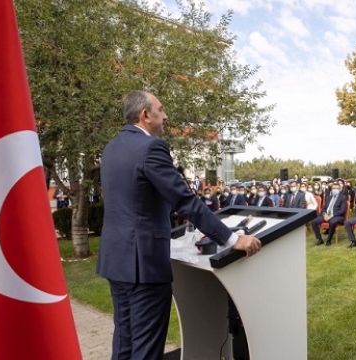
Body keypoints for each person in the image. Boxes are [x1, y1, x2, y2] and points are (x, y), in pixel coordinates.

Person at [98, 90, 262, 359]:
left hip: (116, 260)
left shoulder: (111, 148)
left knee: (124, 342)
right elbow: (186, 201)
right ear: (145, 115)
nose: (165, 115)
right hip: (144, 265)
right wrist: (232, 239)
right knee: (146, 349)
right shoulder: (151, 148)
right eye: (160, 110)